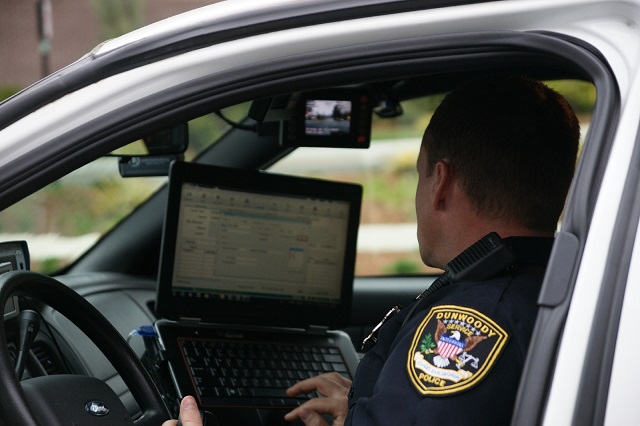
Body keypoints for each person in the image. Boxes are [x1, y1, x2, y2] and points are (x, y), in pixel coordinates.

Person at [168, 74, 581, 425]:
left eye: (420, 175)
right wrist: (367, 405)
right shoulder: (557, 289)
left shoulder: (471, 322)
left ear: (441, 183)